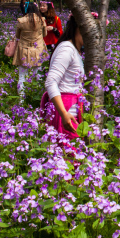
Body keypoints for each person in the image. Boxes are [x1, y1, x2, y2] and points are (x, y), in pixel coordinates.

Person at [41, 14, 85, 142]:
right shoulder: (66, 49)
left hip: (71, 110)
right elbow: (51, 82)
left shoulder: (75, 50)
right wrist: (63, 113)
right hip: (65, 110)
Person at [13, 3, 48, 98]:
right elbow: (45, 34)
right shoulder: (42, 20)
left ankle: (21, 99)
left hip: (24, 50)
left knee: (22, 76)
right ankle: (38, 97)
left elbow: (17, 35)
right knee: (38, 75)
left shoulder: (21, 21)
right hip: (38, 50)